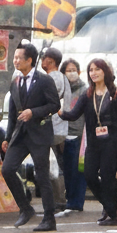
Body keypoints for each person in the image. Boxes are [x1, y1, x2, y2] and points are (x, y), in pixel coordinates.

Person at [61, 58, 117, 226]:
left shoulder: (115, 93)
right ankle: (110, 209)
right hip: (93, 142)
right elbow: (73, 114)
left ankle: (112, 215)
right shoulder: (87, 94)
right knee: (89, 175)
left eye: (97, 69)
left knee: (109, 179)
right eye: (91, 70)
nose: (93, 73)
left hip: (112, 142)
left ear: (105, 72)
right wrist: (58, 111)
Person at [0, 42, 62, 232]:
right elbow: (12, 112)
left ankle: (49, 218)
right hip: (20, 134)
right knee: (7, 169)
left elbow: (54, 105)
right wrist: (8, 137)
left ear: (30, 60)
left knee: (41, 175)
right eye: (14, 57)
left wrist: (33, 112)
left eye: (19, 58)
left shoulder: (44, 80)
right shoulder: (15, 81)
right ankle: (26, 209)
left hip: (40, 134)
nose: (15, 61)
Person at [40, 46, 70, 217]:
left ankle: (58, 201)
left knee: (52, 166)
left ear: (49, 61)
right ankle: (57, 200)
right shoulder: (63, 78)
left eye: (44, 59)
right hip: (60, 126)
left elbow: (46, 100)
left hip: (52, 126)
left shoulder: (52, 78)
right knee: (54, 163)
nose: (42, 62)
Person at [60, 58, 87, 213]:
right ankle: (70, 200)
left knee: (79, 170)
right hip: (63, 135)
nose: (71, 73)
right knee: (68, 171)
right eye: (68, 70)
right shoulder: (61, 90)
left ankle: (76, 203)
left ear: (79, 71)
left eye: (73, 70)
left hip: (79, 135)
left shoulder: (85, 90)